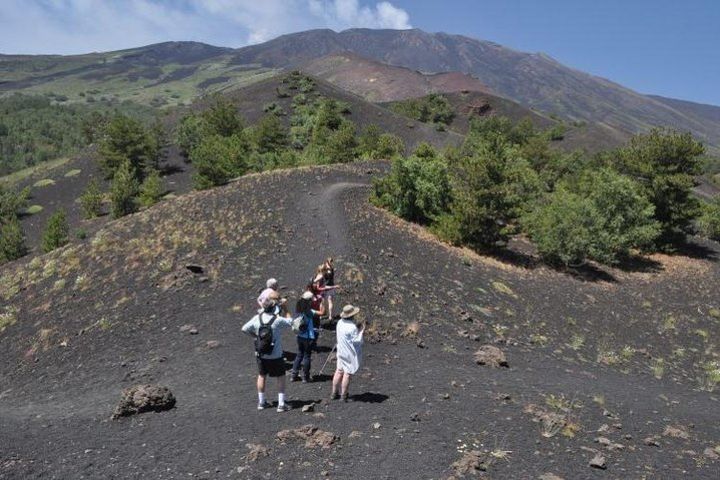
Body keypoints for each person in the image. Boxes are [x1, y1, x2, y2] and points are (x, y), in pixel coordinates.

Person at [242, 291, 293, 412]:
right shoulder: (278, 320)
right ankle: (281, 404)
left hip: (261, 354)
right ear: (274, 307)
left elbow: (244, 329)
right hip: (276, 355)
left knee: (261, 376)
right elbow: (291, 322)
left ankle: (261, 402)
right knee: (280, 376)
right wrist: (286, 309)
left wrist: (255, 336)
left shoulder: (256, 318)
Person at [331, 304, 364, 402]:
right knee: (347, 374)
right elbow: (357, 341)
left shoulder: (339, 322)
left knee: (339, 371)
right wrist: (361, 331)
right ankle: (343, 395)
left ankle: (334, 393)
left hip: (340, 351)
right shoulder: (352, 327)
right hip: (349, 353)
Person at [289, 291, 322, 383]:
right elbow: (322, 313)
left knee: (299, 355)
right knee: (307, 356)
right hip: (308, 337)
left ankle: (293, 375)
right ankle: (305, 377)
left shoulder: (298, 309)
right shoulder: (309, 312)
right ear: (309, 300)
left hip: (299, 335)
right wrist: (321, 302)